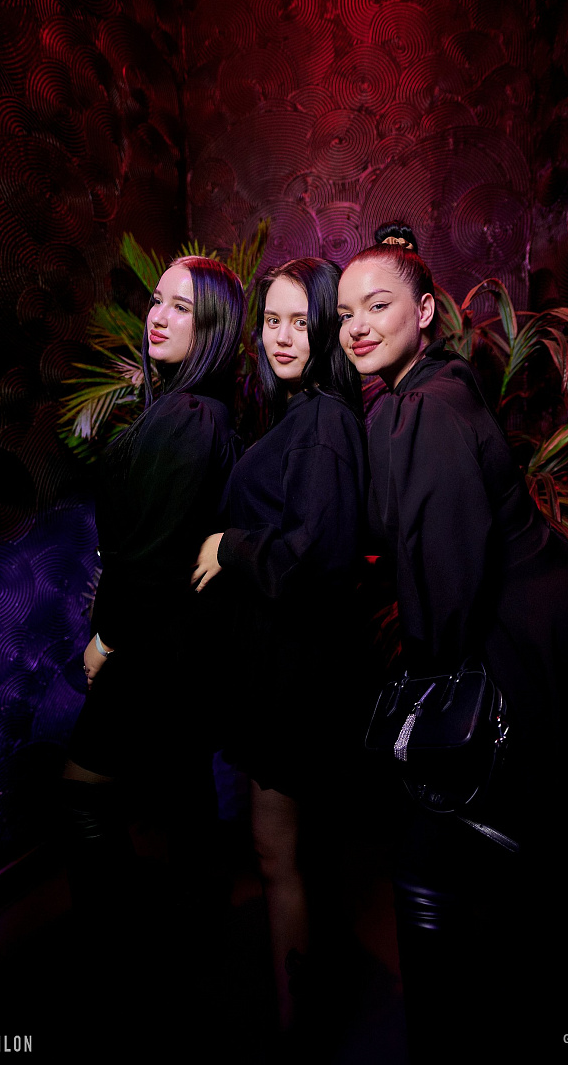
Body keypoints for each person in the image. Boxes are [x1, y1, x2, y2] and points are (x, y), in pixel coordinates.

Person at [337, 222, 568, 1063]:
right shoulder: (421, 392)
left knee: (441, 860)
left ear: (425, 311)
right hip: (538, 626)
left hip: (514, 639)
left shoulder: (427, 407)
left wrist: (426, 711)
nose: (357, 326)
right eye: (345, 312)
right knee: (522, 855)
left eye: (377, 305)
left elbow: (448, 580)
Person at [60, 256, 245, 1043]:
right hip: (175, 650)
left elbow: (156, 558)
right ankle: (186, 970)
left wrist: (105, 641)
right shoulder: (192, 408)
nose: (159, 316)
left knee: (84, 792)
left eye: (183, 308)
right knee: (183, 804)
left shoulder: (191, 416)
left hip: (152, 649)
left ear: (214, 329)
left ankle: (126, 964)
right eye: (157, 301)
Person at [192, 258, 369, 1040]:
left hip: (297, 674)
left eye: (301, 321)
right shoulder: (301, 410)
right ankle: (313, 1006)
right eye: (271, 321)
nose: (282, 337)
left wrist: (228, 546)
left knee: (277, 854)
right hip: (284, 665)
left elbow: (317, 557)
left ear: (325, 327)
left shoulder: (324, 418)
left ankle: (300, 1032)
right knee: (293, 854)